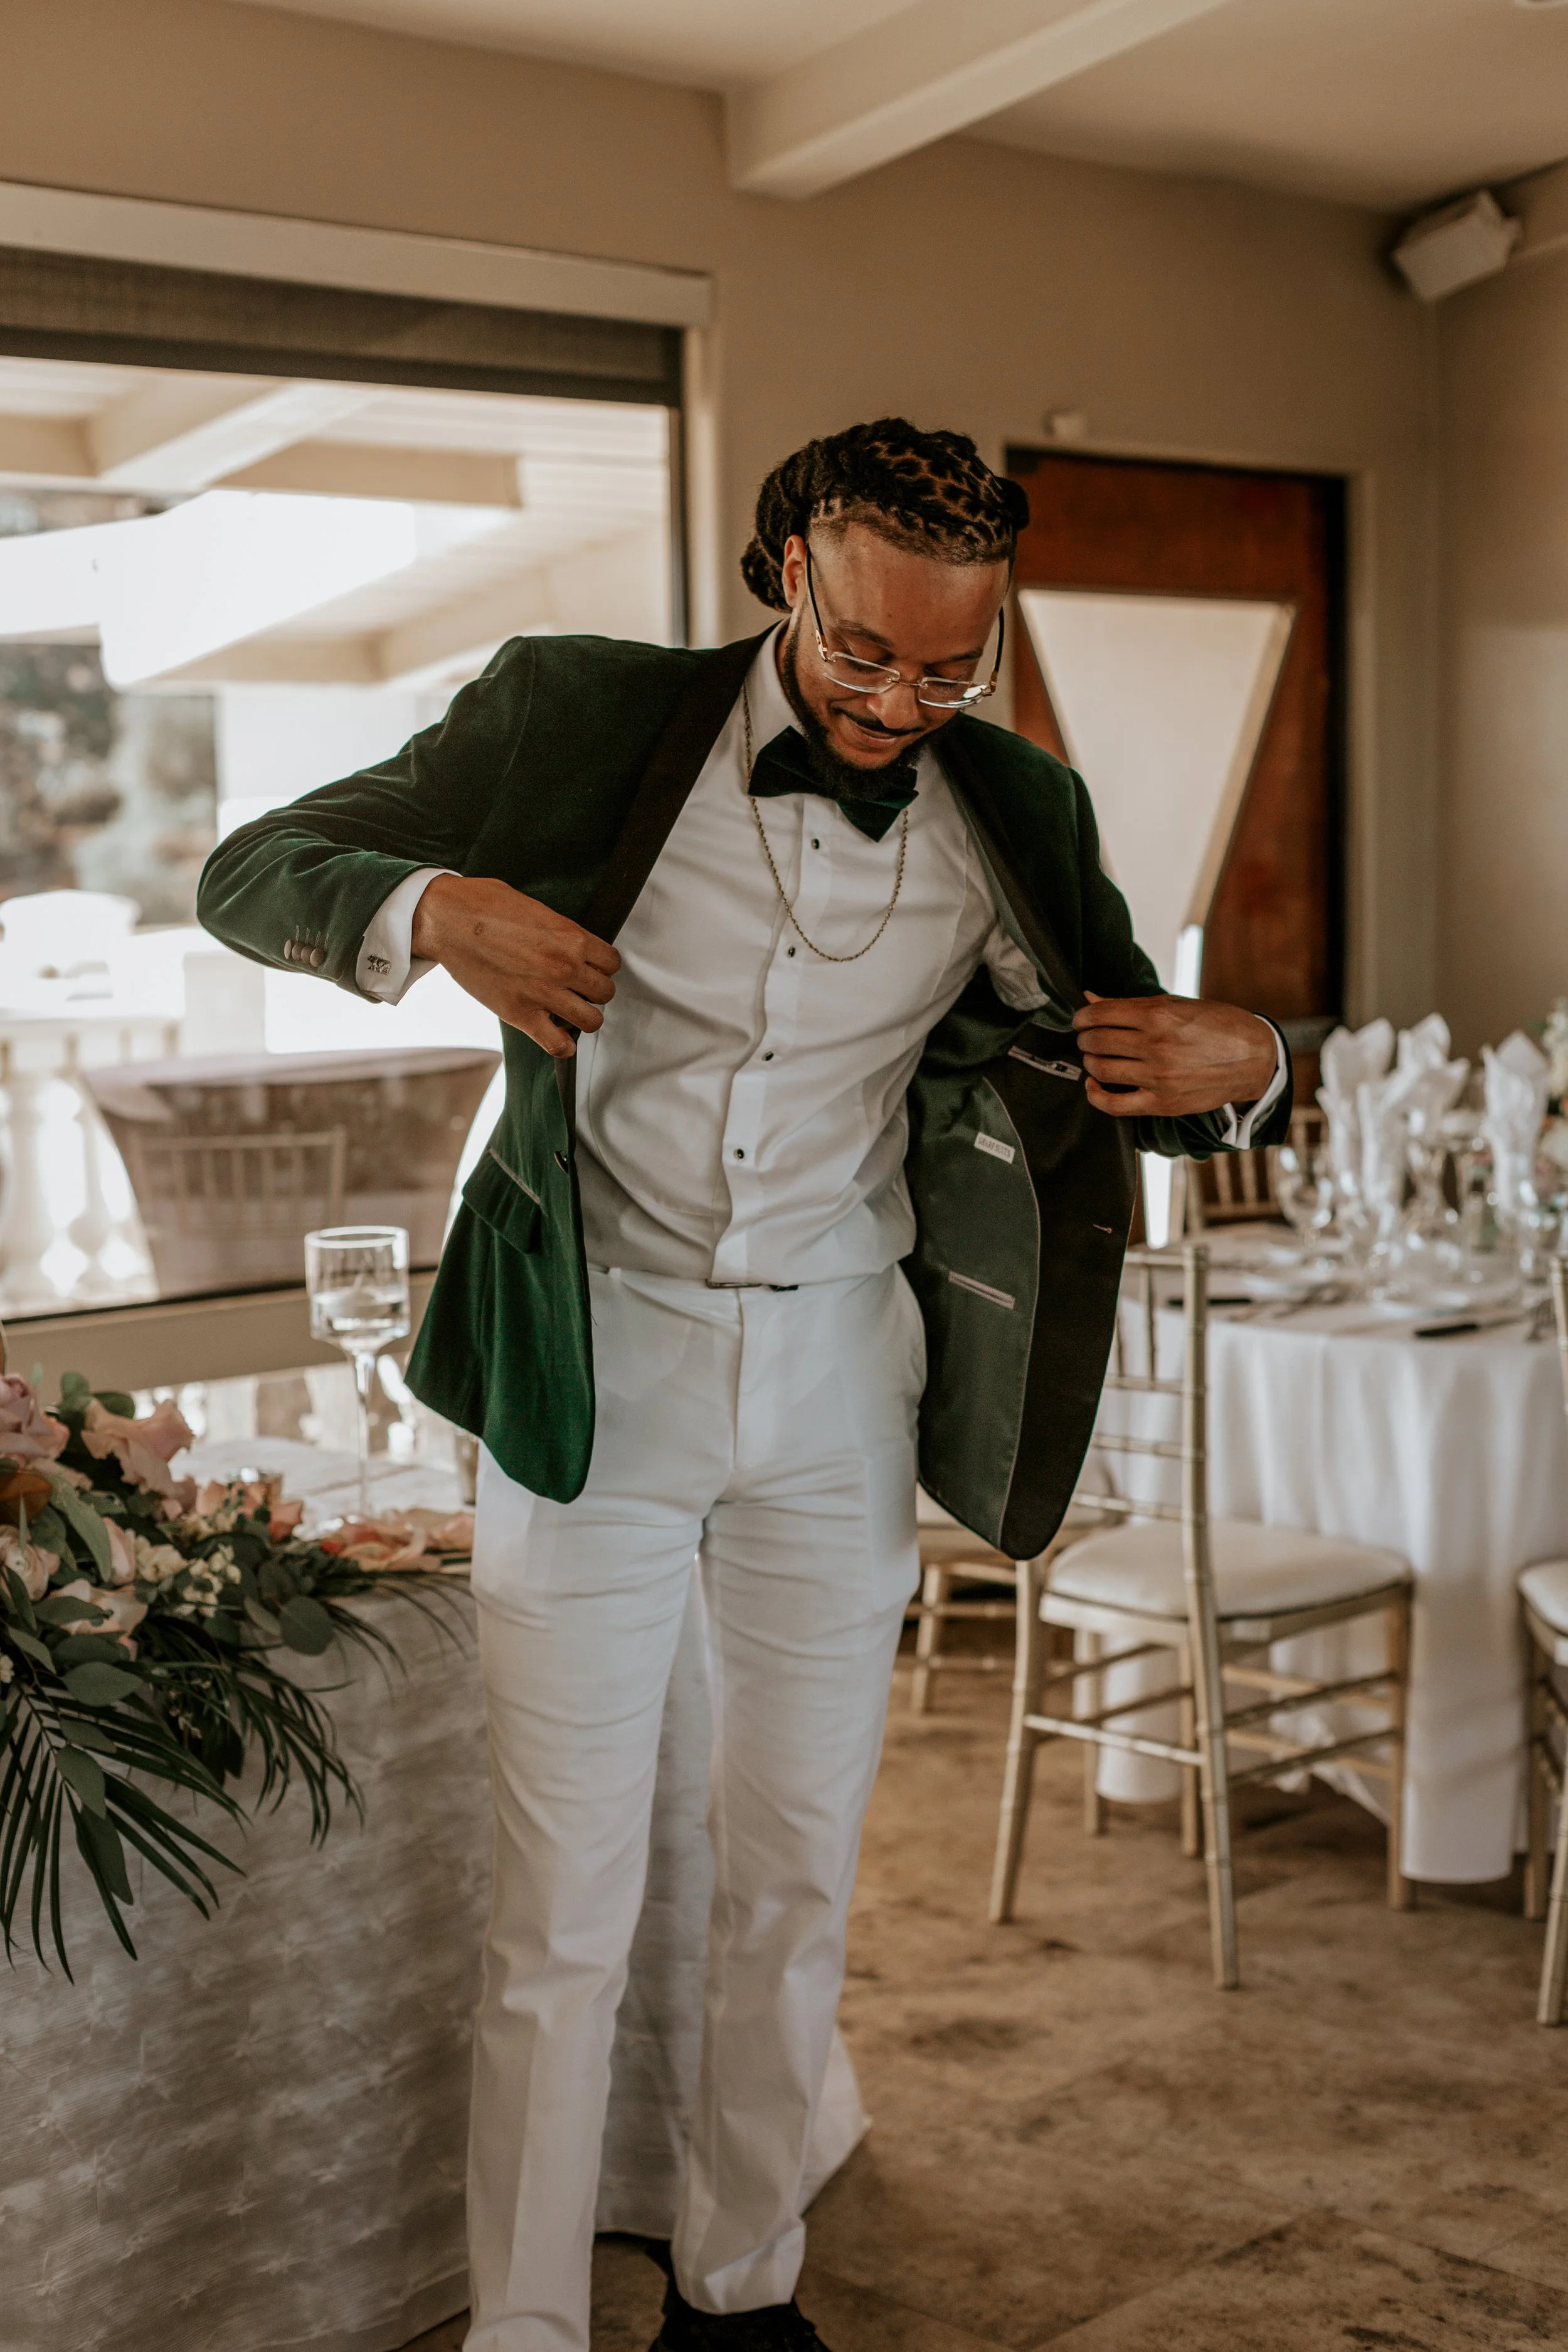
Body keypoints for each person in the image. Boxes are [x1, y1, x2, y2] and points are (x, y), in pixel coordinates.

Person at [198, 418, 1290, 2352]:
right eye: (864, 651)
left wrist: (1257, 1067)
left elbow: (1137, 1055)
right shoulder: (579, 716)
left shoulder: (1016, 806)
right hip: (592, 1370)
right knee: (562, 1905)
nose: (896, 702)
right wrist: (434, 907)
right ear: (785, 563)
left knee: (794, 1869)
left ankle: (741, 2283)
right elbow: (249, 865)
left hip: (837, 1379)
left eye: (945, 666)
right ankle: (523, 2328)